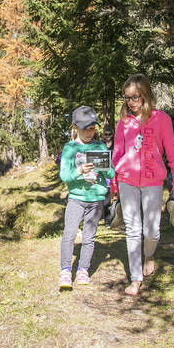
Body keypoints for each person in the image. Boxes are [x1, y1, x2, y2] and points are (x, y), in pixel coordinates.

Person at [111, 74, 174, 296]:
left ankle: (149, 255)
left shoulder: (162, 119)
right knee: (133, 230)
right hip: (127, 180)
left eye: (135, 97)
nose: (131, 102)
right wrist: (114, 185)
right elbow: (117, 153)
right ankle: (135, 278)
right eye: (127, 98)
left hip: (153, 180)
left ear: (145, 95)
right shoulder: (123, 122)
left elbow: (172, 153)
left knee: (151, 231)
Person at [58, 106, 115, 289]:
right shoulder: (70, 148)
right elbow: (65, 176)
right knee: (69, 234)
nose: (90, 133)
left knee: (89, 237)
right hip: (76, 198)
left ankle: (83, 270)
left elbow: (112, 173)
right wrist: (79, 171)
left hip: (96, 200)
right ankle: (66, 271)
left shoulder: (99, 146)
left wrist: (102, 168)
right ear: (75, 127)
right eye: (85, 129)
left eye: (92, 128)